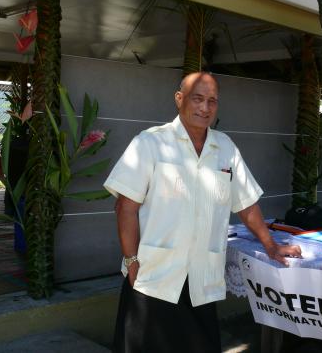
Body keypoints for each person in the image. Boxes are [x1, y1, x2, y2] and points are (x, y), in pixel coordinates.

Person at [104, 72, 301, 353]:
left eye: (212, 101)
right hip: (153, 276)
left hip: (200, 281)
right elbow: (125, 207)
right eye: (197, 99)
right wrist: (131, 261)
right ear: (179, 99)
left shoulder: (225, 149)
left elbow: (246, 204)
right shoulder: (150, 143)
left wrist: (271, 245)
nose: (205, 108)